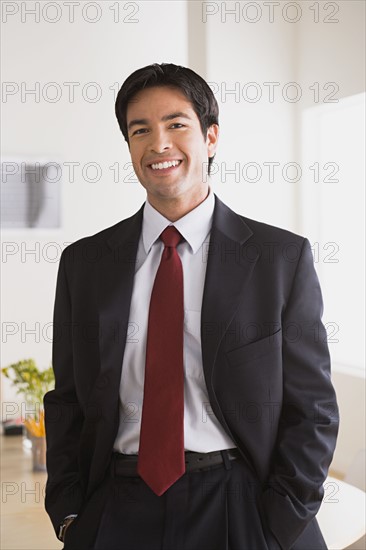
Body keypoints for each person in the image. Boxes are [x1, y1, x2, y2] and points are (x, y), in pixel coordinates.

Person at [44, 63, 339, 550]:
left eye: (176, 124)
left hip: (242, 503)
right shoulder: (85, 263)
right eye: (141, 130)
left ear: (211, 137)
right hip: (118, 505)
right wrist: (70, 514)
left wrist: (282, 518)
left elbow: (313, 408)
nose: (158, 143)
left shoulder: (279, 259)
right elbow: (68, 400)